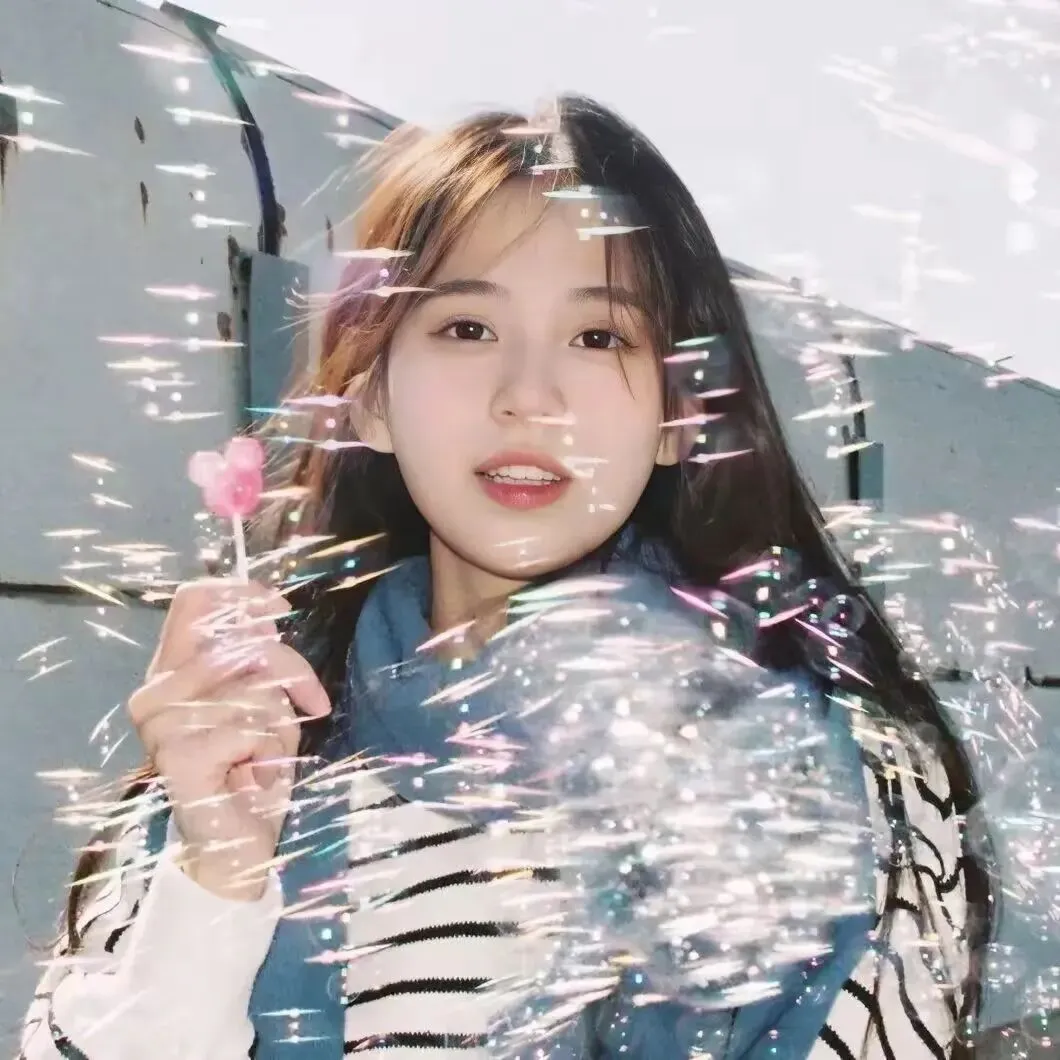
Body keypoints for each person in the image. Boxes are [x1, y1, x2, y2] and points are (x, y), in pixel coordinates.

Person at [19, 95, 994, 1060]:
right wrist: (215, 882)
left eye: (599, 336)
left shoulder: (849, 793)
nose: (529, 396)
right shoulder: (232, 760)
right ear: (371, 399)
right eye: (466, 329)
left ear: (678, 416)